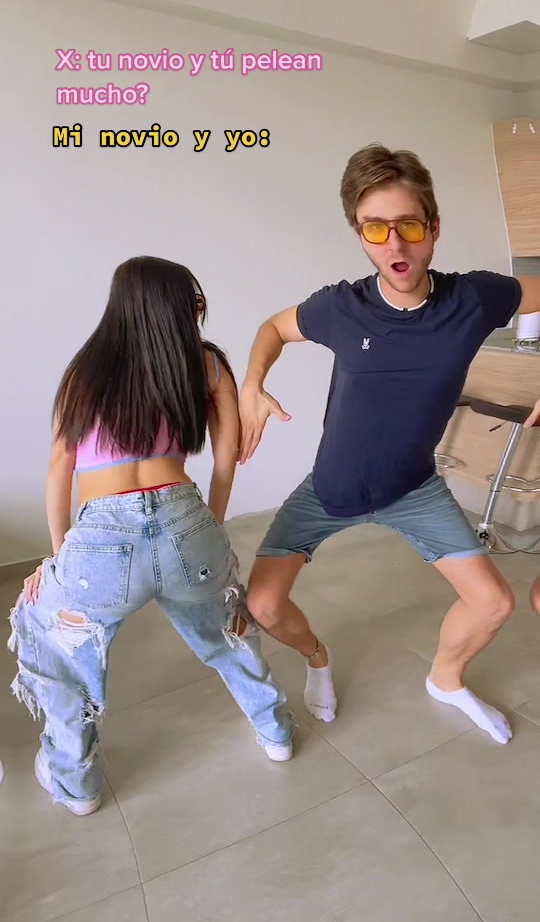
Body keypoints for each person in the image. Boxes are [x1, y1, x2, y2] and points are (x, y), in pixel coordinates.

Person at [237, 142, 540, 746]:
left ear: (434, 228)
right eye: (376, 228)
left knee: (494, 604)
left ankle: (446, 680)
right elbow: (274, 327)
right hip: (332, 488)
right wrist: (253, 383)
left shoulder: (475, 298)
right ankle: (318, 657)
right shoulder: (340, 307)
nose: (395, 244)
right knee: (264, 607)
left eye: (409, 225)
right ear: (360, 234)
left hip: (414, 487)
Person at [8, 255, 292, 817]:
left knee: (53, 643)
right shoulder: (206, 363)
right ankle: (276, 730)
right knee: (227, 633)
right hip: (188, 522)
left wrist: (60, 555)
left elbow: (60, 467)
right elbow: (226, 460)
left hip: (101, 537)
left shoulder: (85, 370)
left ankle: (76, 782)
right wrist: (211, 527)